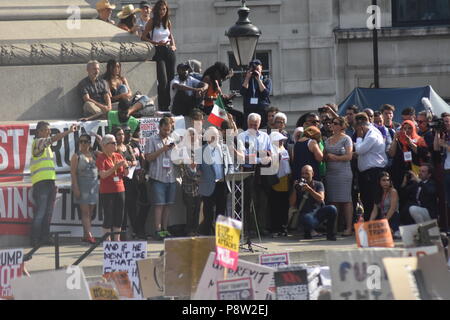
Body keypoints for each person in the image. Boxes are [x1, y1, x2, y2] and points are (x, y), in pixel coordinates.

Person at [30, 122, 78, 247]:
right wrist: (68, 132)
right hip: (41, 183)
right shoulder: (38, 142)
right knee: (41, 212)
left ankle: (45, 237)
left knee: (48, 212)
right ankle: (35, 239)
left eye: (49, 130)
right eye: (46, 130)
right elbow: (53, 139)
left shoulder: (46, 148)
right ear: (39, 132)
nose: (49, 132)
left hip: (49, 181)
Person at [237, 113, 273, 237]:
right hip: (248, 172)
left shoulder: (265, 136)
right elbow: (242, 157)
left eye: (255, 125)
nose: (253, 127)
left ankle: (261, 227)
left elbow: (270, 156)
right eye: (251, 125)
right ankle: (249, 228)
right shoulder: (242, 136)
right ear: (247, 123)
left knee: (262, 200)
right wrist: (259, 157)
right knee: (249, 201)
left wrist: (257, 156)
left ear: (259, 124)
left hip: (263, 172)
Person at [144, 117, 177, 240]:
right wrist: (163, 149)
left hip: (171, 177)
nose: (166, 132)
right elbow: (148, 158)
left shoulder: (172, 140)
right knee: (159, 205)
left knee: (168, 205)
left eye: (168, 130)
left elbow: (176, 159)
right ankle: (157, 230)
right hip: (157, 177)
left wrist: (177, 151)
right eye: (164, 129)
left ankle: (165, 229)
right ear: (159, 127)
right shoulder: (151, 140)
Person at [141, 0, 176, 111]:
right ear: (156, 10)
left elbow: (170, 35)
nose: (162, 11)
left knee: (170, 79)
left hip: (168, 51)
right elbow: (143, 37)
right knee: (163, 80)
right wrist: (156, 43)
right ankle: (163, 105)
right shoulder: (152, 21)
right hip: (158, 51)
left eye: (164, 9)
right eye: (160, 9)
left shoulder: (167, 22)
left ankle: (169, 104)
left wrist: (173, 45)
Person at [198, 127, 233, 236]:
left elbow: (230, 164)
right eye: (210, 137)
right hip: (208, 185)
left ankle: (220, 237)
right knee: (208, 213)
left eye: (215, 137)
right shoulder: (201, 150)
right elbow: (197, 168)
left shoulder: (224, 148)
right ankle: (207, 236)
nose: (212, 139)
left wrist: (228, 174)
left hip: (222, 185)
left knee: (221, 213)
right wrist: (197, 171)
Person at [354, 112, 388, 219]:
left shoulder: (372, 134)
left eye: (356, 127)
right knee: (367, 201)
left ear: (361, 126)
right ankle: (370, 226)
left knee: (372, 201)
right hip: (367, 173)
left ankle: (374, 225)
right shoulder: (369, 134)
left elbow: (359, 150)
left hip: (373, 173)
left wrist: (359, 137)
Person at [290, 165, 337, 241]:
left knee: (332, 208)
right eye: (302, 173)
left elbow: (321, 198)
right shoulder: (298, 185)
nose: (304, 176)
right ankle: (307, 232)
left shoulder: (318, 184)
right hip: (306, 213)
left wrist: (309, 190)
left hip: (318, 212)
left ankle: (330, 234)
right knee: (307, 219)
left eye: (307, 173)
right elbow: (292, 203)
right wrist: (294, 189)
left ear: (313, 174)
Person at [324, 117, 353, 236]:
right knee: (333, 200)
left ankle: (349, 228)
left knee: (346, 201)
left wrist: (334, 157)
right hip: (331, 173)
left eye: (335, 123)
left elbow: (349, 156)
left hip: (343, 173)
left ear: (342, 126)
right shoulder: (327, 140)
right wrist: (326, 157)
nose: (332, 125)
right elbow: (325, 155)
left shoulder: (347, 139)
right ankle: (334, 227)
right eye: (332, 123)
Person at [96, 134, 129, 241]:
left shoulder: (118, 156)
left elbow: (125, 173)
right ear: (105, 145)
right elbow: (103, 175)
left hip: (120, 189)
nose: (115, 144)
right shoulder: (101, 158)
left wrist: (126, 167)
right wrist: (115, 167)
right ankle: (107, 240)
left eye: (115, 142)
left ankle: (117, 239)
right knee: (108, 215)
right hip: (107, 191)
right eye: (113, 143)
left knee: (119, 215)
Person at [71, 134, 99, 244]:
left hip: (93, 185)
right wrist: (75, 188)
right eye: (81, 141)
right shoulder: (76, 156)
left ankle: (85, 235)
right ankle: (89, 235)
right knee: (85, 212)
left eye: (85, 141)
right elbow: (73, 173)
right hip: (82, 185)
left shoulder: (94, 154)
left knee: (90, 212)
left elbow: (107, 152)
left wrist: (98, 137)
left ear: (89, 143)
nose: (83, 144)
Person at [174, 128, 202, 236]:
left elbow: (201, 167)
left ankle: (196, 229)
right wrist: (197, 178)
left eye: (194, 135)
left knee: (197, 209)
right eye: (190, 135)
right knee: (190, 209)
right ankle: (189, 230)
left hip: (199, 186)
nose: (193, 138)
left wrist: (200, 177)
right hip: (188, 185)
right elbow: (186, 169)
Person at [388, 120, 429, 190]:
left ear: (414, 129)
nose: (407, 130)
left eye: (410, 128)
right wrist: (395, 139)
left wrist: (410, 143)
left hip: (414, 170)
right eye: (405, 128)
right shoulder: (398, 140)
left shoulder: (419, 140)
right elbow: (391, 154)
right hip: (399, 171)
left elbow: (424, 154)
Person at [113, 127, 138, 240]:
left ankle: (135, 230)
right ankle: (122, 231)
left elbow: (135, 161)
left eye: (122, 134)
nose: (121, 136)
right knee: (121, 206)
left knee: (132, 205)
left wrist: (129, 163)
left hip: (130, 178)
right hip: (119, 180)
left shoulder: (127, 147)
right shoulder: (114, 149)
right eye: (119, 134)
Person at [268, 132, 291, 237]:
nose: (282, 141)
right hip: (275, 183)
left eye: (282, 140)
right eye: (279, 140)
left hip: (285, 182)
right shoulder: (270, 151)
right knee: (275, 207)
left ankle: (283, 228)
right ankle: (275, 229)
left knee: (284, 207)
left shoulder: (284, 149)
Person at [240, 59, 272, 129]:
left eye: (257, 68)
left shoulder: (266, 80)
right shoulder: (247, 80)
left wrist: (258, 80)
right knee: (249, 129)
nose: (255, 71)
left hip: (262, 110)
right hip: (249, 110)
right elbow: (242, 92)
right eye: (254, 69)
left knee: (262, 130)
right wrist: (247, 78)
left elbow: (265, 94)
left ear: (261, 68)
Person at [369, 171, 400, 236]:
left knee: (392, 234)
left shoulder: (393, 191)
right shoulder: (377, 193)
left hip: (392, 216)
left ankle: (395, 230)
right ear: (379, 182)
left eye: (388, 180)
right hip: (382, 216)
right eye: (383, 180)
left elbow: (392, 209)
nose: (386, 182)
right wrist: (370, 223)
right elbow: (374, 211)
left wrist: (384, 221)